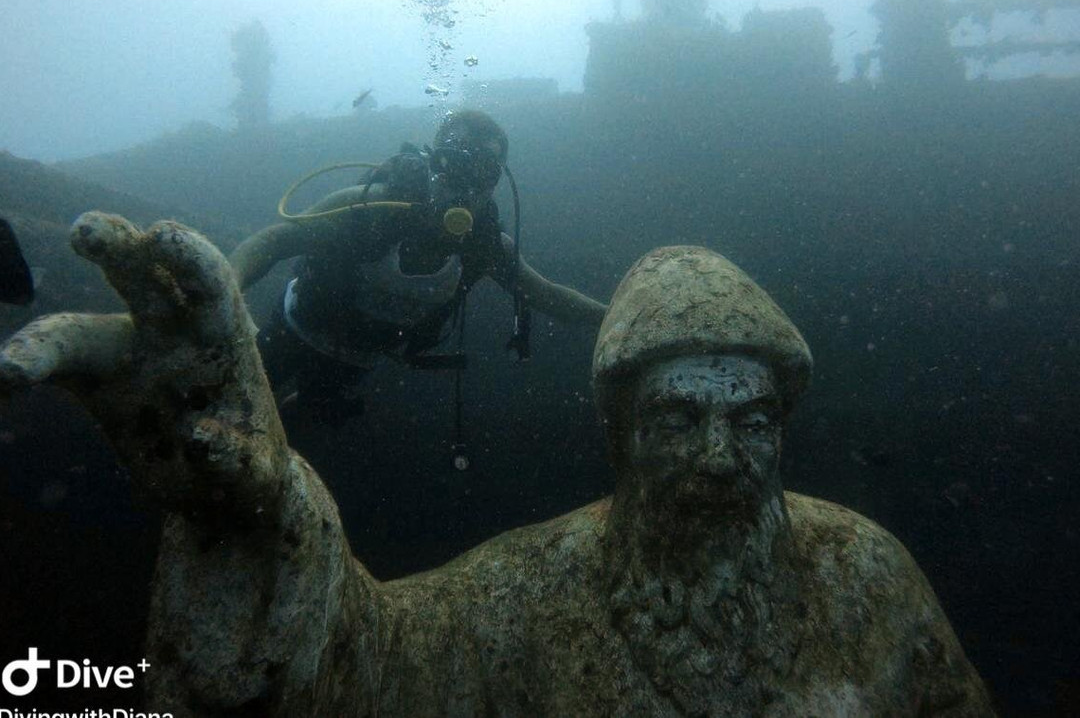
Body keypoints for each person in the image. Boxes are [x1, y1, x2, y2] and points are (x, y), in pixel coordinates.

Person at [0, 218, 994, 717]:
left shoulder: (869, 577)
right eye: (679, 416)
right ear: (622, 430)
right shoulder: (521, 597)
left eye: (752, 419)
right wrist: (258, 523)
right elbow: (365, 664)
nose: (718, 456)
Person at [229, 109, 606, 421]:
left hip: (359, 360)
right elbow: (275, 240)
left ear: (495, 182)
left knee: (304, 416)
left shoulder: (483, 247)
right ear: (436, 163)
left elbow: (549, 296)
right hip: (296, 330)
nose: (467, 186)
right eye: (457, 166)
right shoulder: (372, 209)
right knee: (235, 402)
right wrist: (225, 292)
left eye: (485, 174)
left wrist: (619, 316)